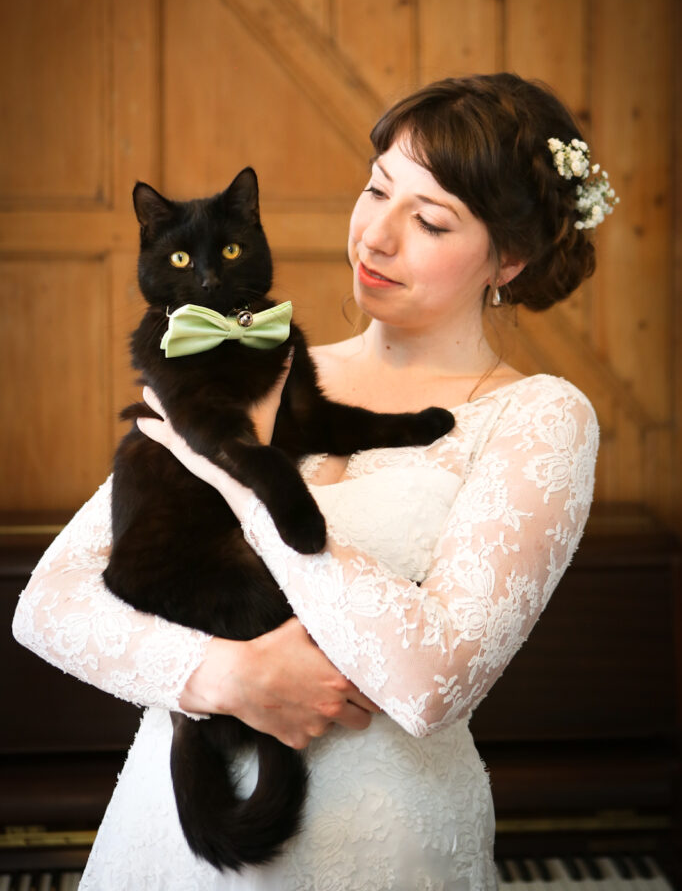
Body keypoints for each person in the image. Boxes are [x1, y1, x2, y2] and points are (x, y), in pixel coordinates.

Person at [13, 73, 612, 890]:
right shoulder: (260, 361)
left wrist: (245, 483)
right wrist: (225, 677)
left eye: (430, 220)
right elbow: (49, 602)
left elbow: (433, 684)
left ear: (508, 258)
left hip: (381, 840)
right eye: (377, 191)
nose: (377, 237)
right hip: (174, 838)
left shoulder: (541, 418)